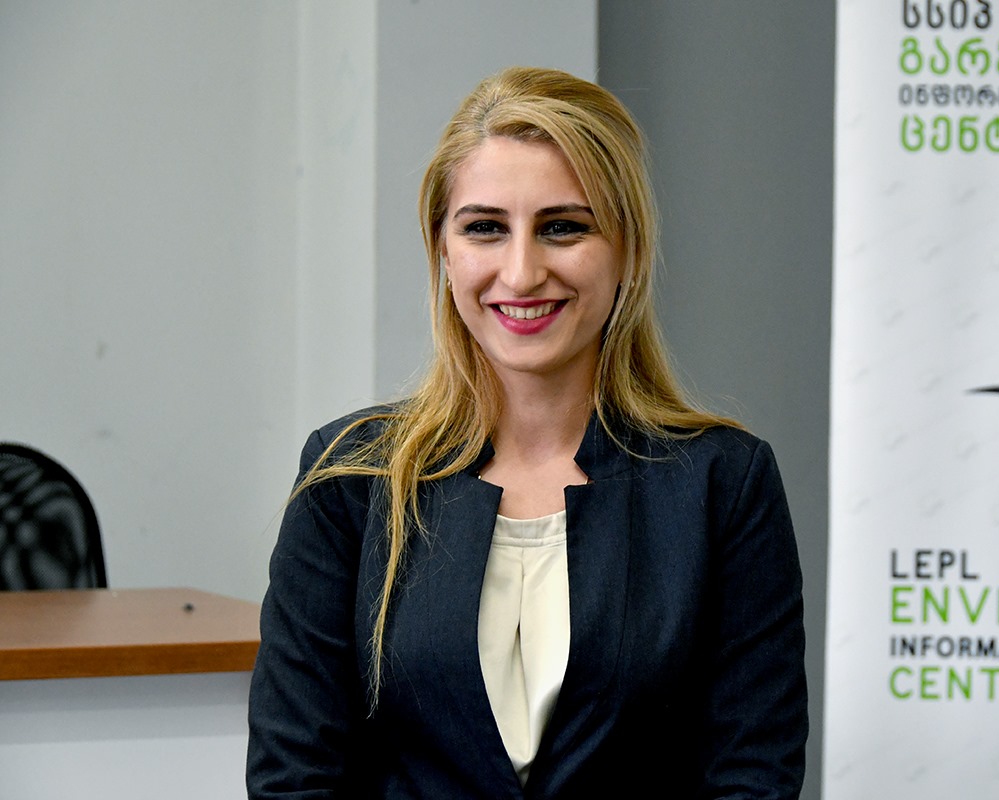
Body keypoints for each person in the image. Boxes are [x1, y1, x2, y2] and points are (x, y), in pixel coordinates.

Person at [246, 66, 807, 799]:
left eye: (563, 227)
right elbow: (295, 779)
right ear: (443, 250)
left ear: (627, 249)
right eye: (484, 228)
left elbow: (752, 776)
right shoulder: (350, 477)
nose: (521, 272)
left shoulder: (724, 483)